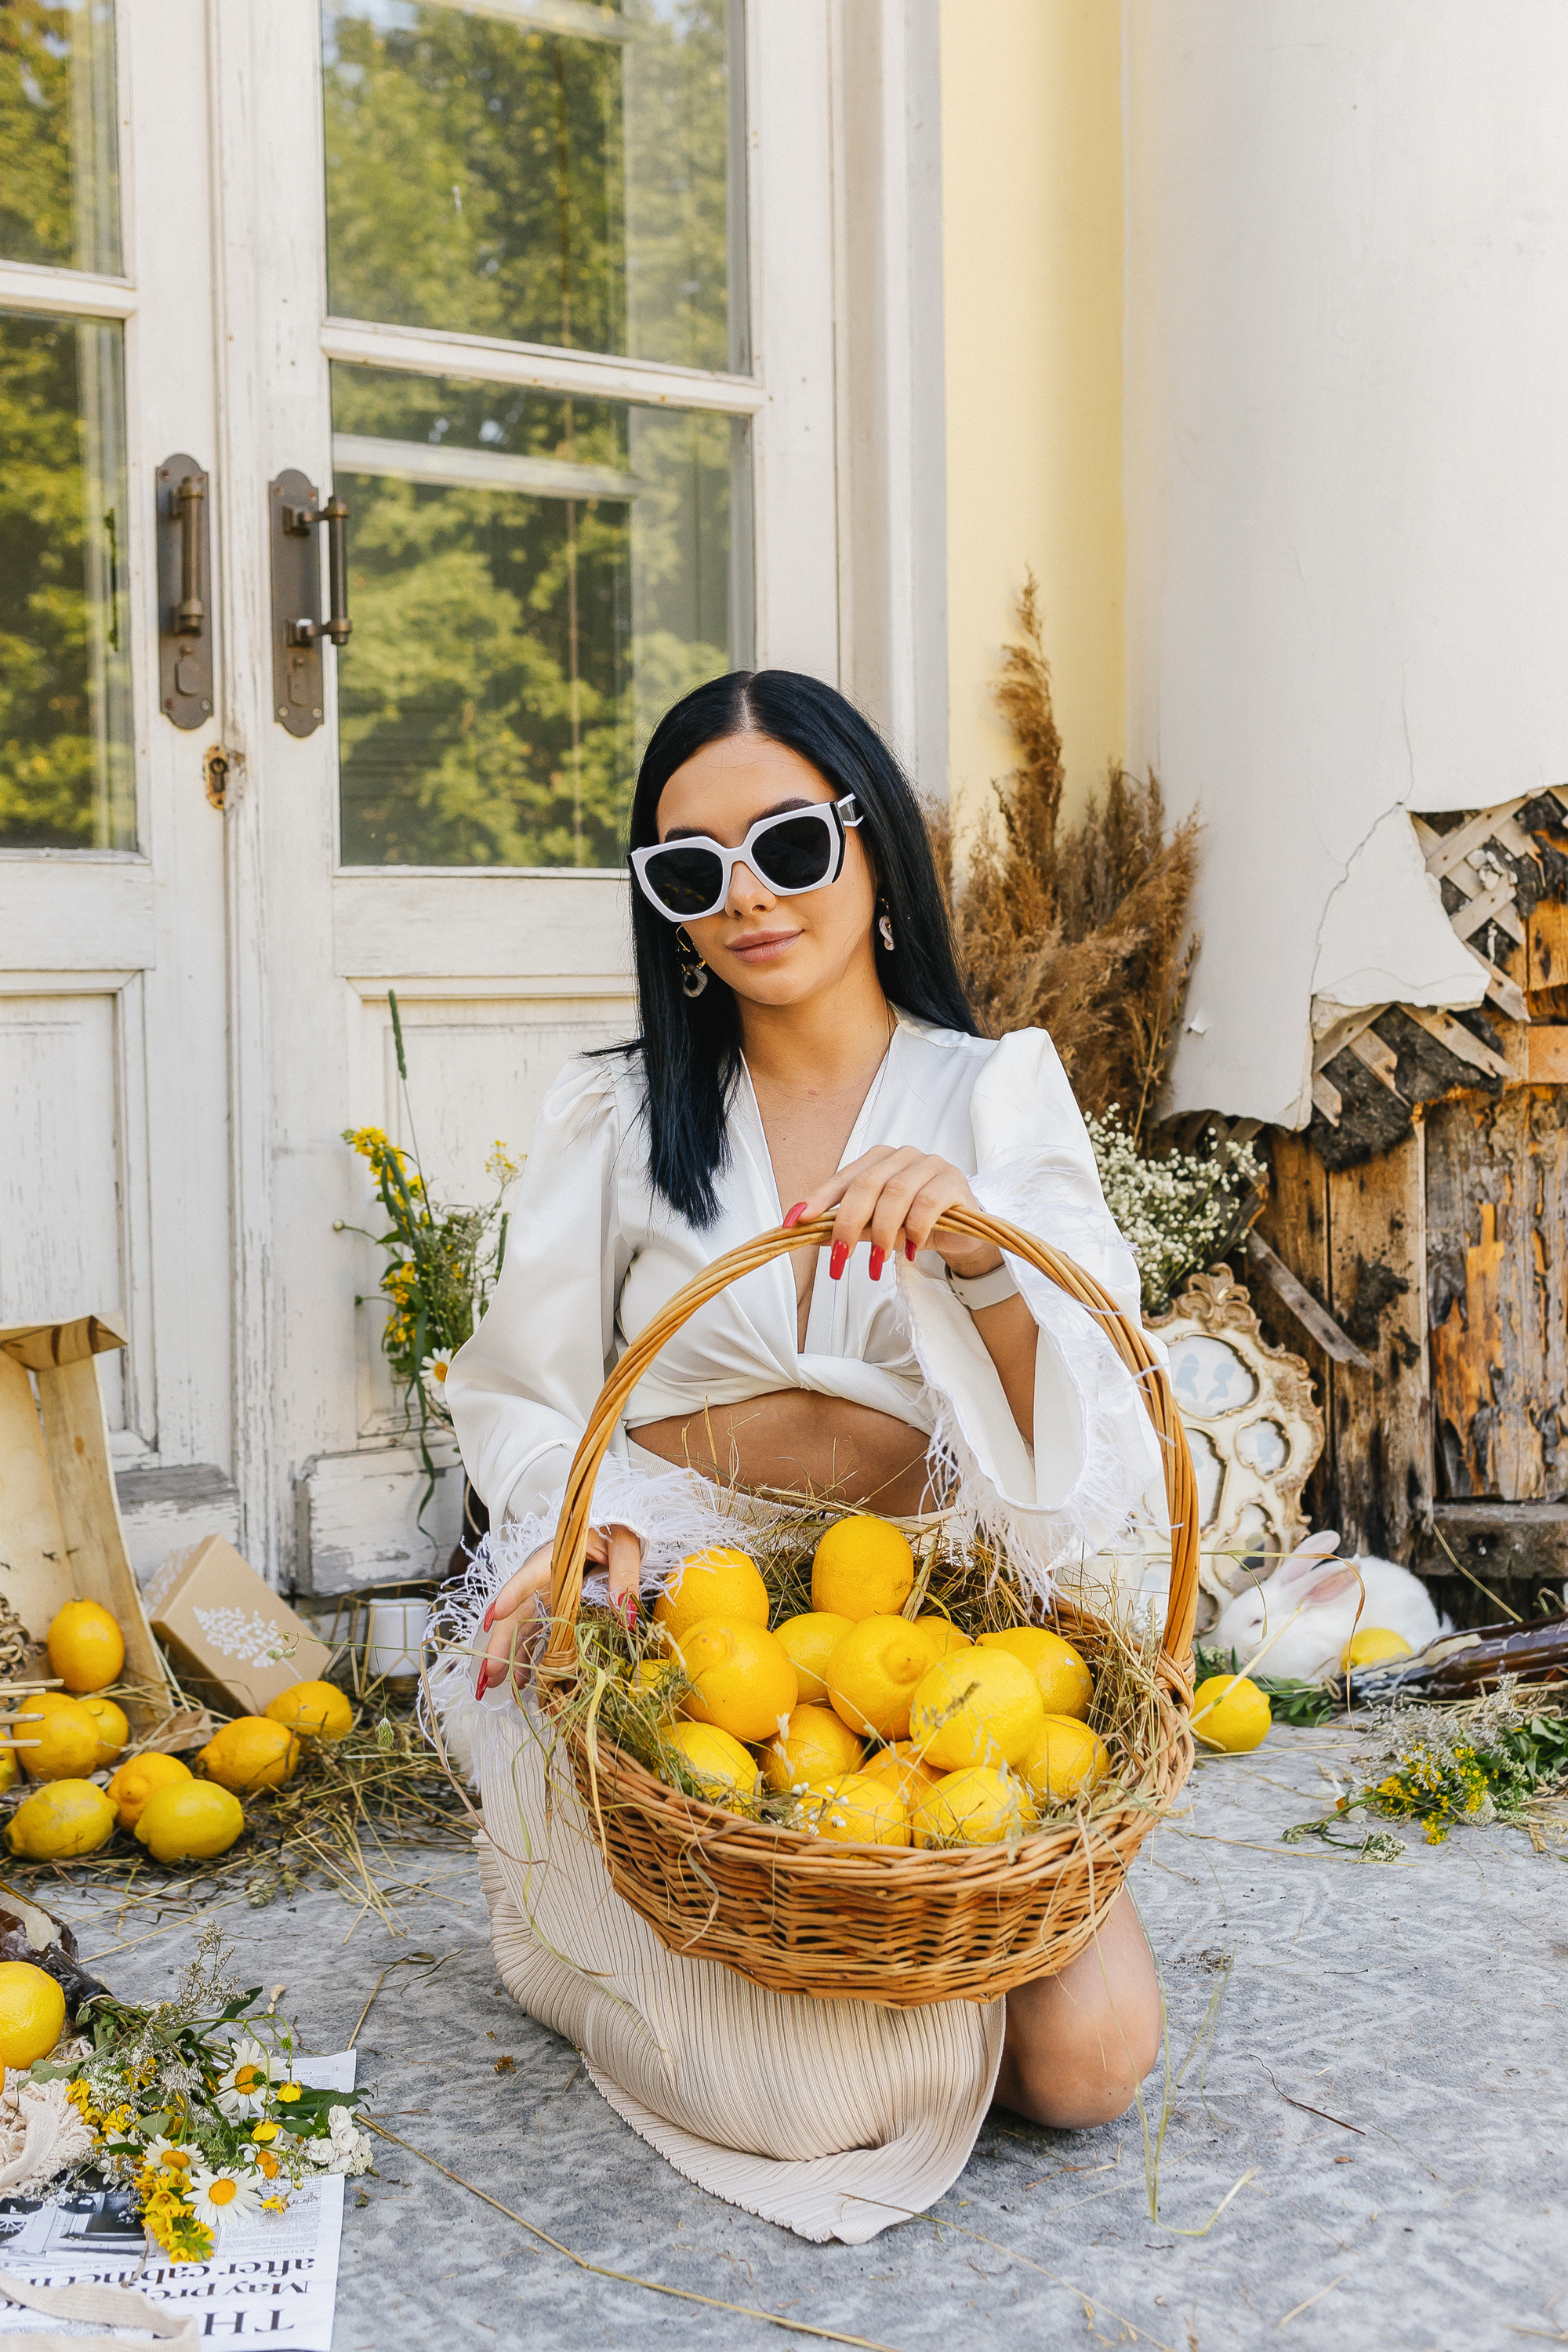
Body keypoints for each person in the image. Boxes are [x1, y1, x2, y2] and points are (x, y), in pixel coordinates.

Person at [437, 670, 1166, 2245]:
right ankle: (615, 1925)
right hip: (681, 1602)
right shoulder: (619, 1112)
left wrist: (973, 1257)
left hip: (916, 1631)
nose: (746, 897)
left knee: (1091, 2065)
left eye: (785, 843)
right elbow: (516, 1387)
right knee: (824, 2097)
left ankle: (898, 1954)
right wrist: (582, 1531)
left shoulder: (995, 1092)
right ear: (665, 911)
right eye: (690, 872)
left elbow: (1064, 1470)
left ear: (873, 844)